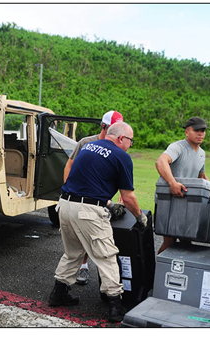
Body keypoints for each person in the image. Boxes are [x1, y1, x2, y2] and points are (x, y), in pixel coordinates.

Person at [47, 122, 147, 323]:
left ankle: (58, 294)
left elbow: (86, 180)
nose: (130, 145)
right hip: (89, 212)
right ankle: (115, 306)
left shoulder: (88, 147)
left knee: (73, 252)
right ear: (121, 138)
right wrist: (140, 217)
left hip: (65, 206)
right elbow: (128, 197)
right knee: (107, 256)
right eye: (131, 141)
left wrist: (107, 202)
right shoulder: (122, 156)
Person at [56, 110, 125, 286]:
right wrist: (70, 191)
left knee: (85, 243)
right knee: (101, 251)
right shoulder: (86, 143)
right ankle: (87, 271)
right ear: (103, 127)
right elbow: (69, 166)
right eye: (112, 128)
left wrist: (114, 201)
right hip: (83, 201)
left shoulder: (118, 146)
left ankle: (62, 288)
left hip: (100, 200)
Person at [155, 117, 209, 254]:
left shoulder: (202, 154)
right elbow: (161, 162)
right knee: (169, 242)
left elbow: (201, 176)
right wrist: (172, 183)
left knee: (186, 241)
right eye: (196, 130)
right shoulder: (177, 147)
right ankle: (156, 272)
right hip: (168, 202)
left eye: (203, 130)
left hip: (187, 203)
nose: (200, 133)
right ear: (186, 132)